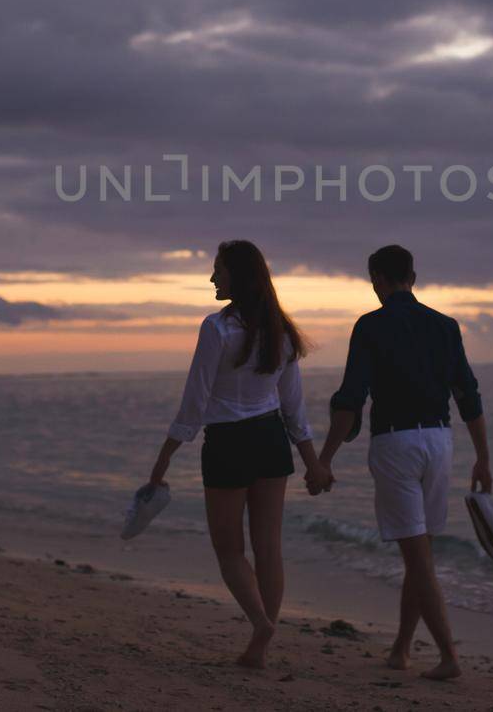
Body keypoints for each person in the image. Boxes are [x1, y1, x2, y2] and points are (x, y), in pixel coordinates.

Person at [311, 244, 490, 682]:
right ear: (414, 275)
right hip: (440, 441)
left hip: (397, 445)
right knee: (420, 551)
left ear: (377, 278)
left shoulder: (370, 327)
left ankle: (448, 656)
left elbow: (351, 399)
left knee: (418, 557)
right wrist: (483, 457)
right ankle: (401, 649)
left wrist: (325, 459)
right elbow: (467, 394)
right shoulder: (445, 326)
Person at [147, 239, 329, 669]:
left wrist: (163, 460)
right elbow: (293, 407)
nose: (212, 278)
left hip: (229, 442)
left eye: (218, 270)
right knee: (269, 547)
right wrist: (312, 462)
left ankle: (260, 625)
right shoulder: (280, 330)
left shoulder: (216, 328)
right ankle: (261, 644)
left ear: (237, 276)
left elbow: (195, 402)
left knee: (229, 552)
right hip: (270, 440)